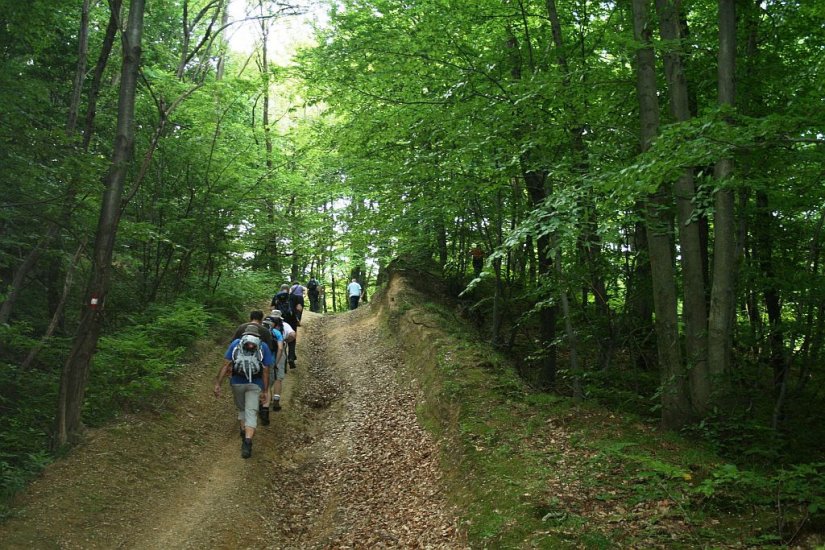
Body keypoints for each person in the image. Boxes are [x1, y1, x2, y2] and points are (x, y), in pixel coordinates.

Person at [214, 328, 273, 459]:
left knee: (242, 409)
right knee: (251, 411)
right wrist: (265, 390)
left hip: (237, 383)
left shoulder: (236, 343)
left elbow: (225, 365)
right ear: (257, 335)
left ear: (245, 334)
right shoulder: (262, 346)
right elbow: (266, 371)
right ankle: (247, 442)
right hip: (255, 384)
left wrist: (218, 383)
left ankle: (243, 431)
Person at [262, 311, 286, 412]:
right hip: (273, 359)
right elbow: (280, 348)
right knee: (277, 379)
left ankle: (263, 404)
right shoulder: (279, 329)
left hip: (261, 360)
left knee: (264, 381)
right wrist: (276, 362)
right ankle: (275, 400)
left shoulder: (260, 330)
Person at [271, 285, 300, 369]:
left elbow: (272, 307)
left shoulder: (276, 296)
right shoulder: (294, 296)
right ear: (289, 290)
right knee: (292, 338)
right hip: (291, 321)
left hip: (278, 320)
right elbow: (299, 308)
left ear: (280, 289)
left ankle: (279, 357)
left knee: (278, 337)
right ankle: (291, 357)